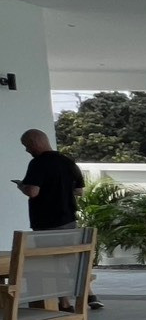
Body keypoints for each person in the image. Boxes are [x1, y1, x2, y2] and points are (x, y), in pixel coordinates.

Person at [14, 128, 103, 310]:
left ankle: (64, 303)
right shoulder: (67, 161)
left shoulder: (38, 163)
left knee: (52, 263)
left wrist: (21, 186)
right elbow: (79, 191)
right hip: (68, 218)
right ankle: (90, 295)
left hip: (46, 223)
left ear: (34, 143)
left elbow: (33, 191)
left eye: (26, 146)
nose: (26, 151)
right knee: (73, 259)